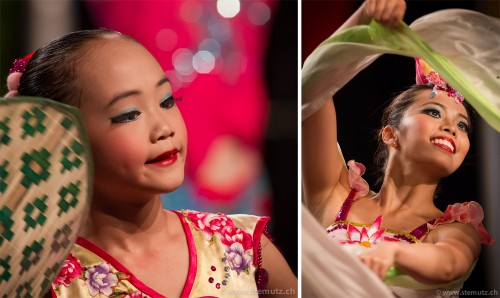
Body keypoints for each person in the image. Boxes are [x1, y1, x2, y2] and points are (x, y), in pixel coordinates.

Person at [4, 29, 297, 297]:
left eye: (167, 101)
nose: (163, 128)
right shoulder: (43, 281)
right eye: (129, 114)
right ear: (65, 140)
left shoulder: (242, 246)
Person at [302, 0, 495, 296]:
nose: (451, 128)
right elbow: (312, 86)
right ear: (391, 134)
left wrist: (395, 255)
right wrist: (365, 15)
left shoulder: (455, 230)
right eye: (433, 112)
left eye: (463, 126)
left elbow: (448, 263)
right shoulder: (334, 194)